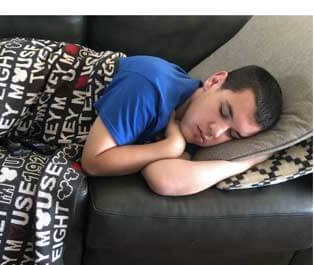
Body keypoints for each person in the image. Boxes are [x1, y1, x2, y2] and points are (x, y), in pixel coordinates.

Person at [80, 56, 283, 196]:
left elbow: (164, 179)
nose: (216, 131)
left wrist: (244, 163)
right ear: (214, 81)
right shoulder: (151, 87)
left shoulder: (192, 129)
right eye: (224, 111)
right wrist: (170, 148)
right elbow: (93, 163)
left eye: (233, 134)